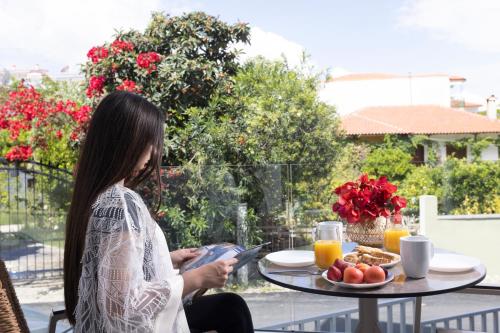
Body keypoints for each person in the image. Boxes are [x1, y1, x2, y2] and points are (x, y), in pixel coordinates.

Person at [63, 91, 254, 333]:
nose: (153, 152)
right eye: (149, 142)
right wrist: (196, 278)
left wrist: (167, 258)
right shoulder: (119, 204)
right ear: (127, 142)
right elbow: (121, 307)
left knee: (230, 308)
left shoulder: (95, 198)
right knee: (231, 308)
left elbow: (110, 273)